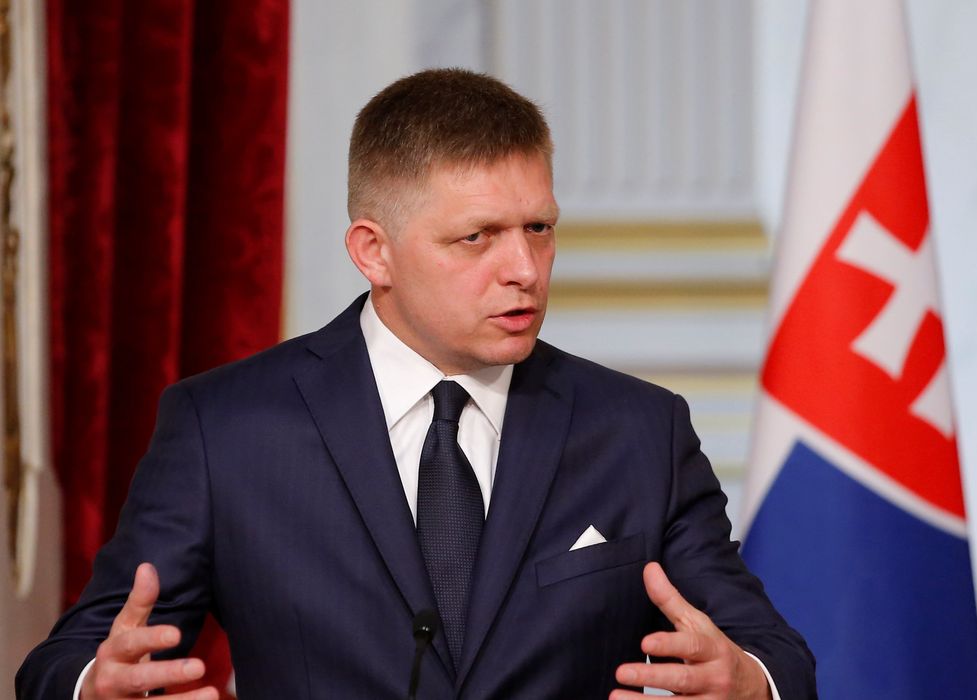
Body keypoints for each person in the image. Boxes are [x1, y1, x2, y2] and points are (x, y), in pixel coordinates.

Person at [17, 68, 815, 699]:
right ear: (374, 252)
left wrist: (748, 682)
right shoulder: (223, 428)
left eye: (539, 228)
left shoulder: (640, 430)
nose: (524, 270)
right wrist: (97, 686)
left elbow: (776, 656)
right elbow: (66, 661)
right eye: (478, 237)